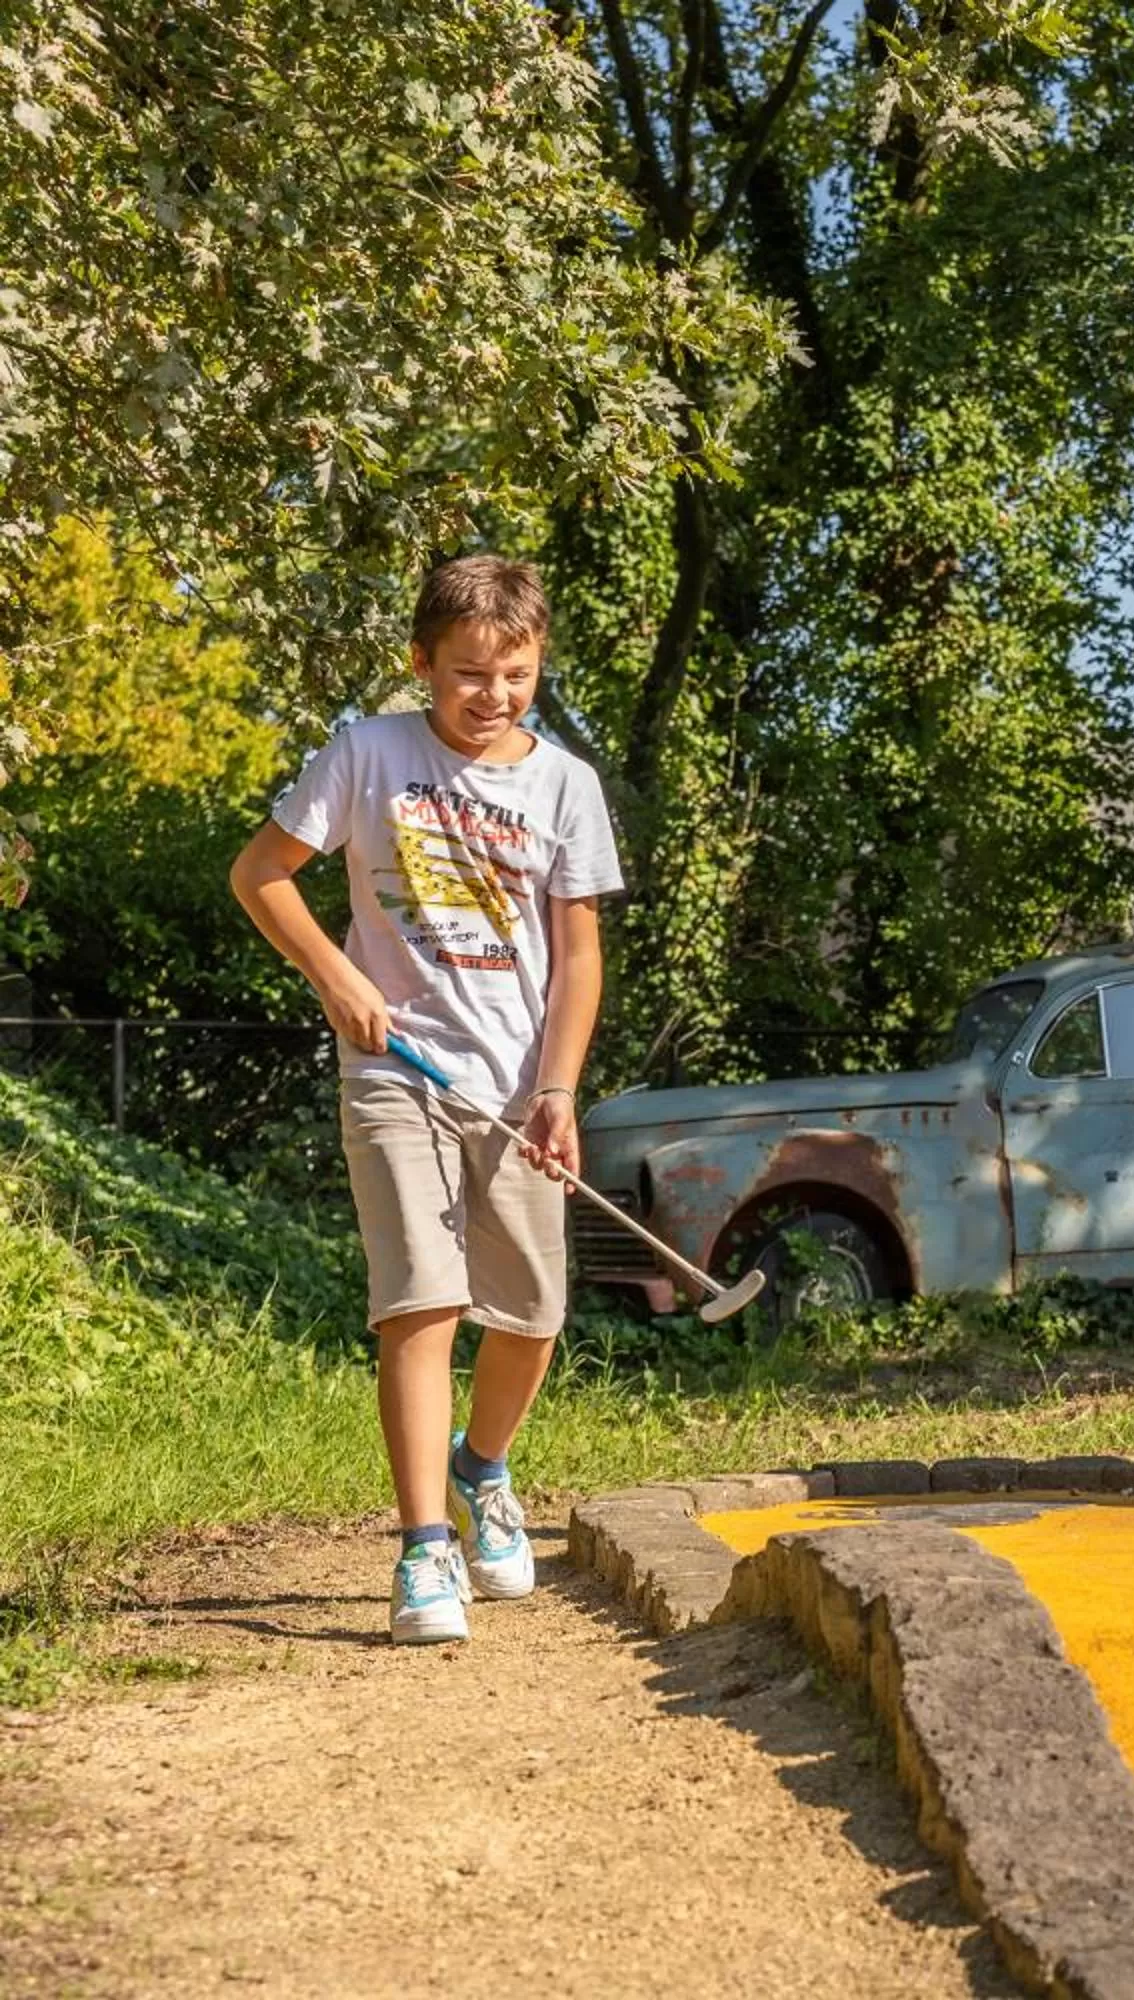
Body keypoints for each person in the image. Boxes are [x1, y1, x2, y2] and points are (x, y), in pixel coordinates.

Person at [230, 556, 624, 1642]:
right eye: (467, 674)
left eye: (517, 674)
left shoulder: (566, 788)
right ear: (421, 663)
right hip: (396, 1067)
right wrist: (338, 974)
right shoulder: (370, 752)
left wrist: (558, 1088)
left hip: (515, 1083)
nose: (492, 695)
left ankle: (481, 1467)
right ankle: (422, 1550)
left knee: (533, 1315)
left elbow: (578, 957)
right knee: (421, 1299)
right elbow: (260, 872)